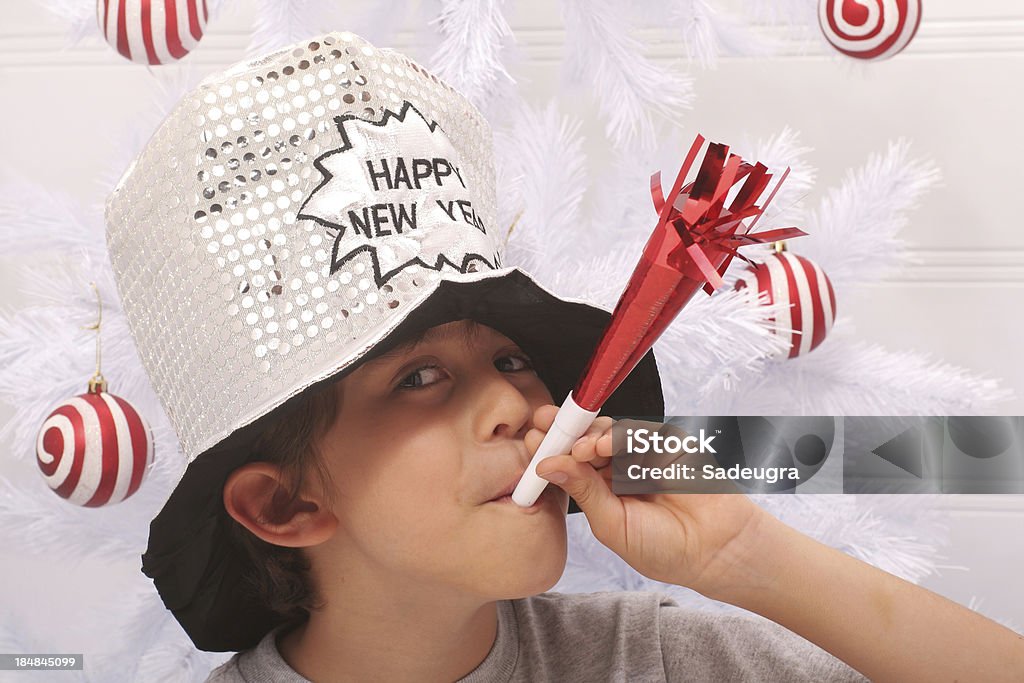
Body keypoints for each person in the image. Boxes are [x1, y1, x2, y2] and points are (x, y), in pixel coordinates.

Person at [102, 32, 1024, 683]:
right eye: (419, 377)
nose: (516, 403)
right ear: (286, 502)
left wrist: (745, 553)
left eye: (509, 357)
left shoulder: (650, 658)